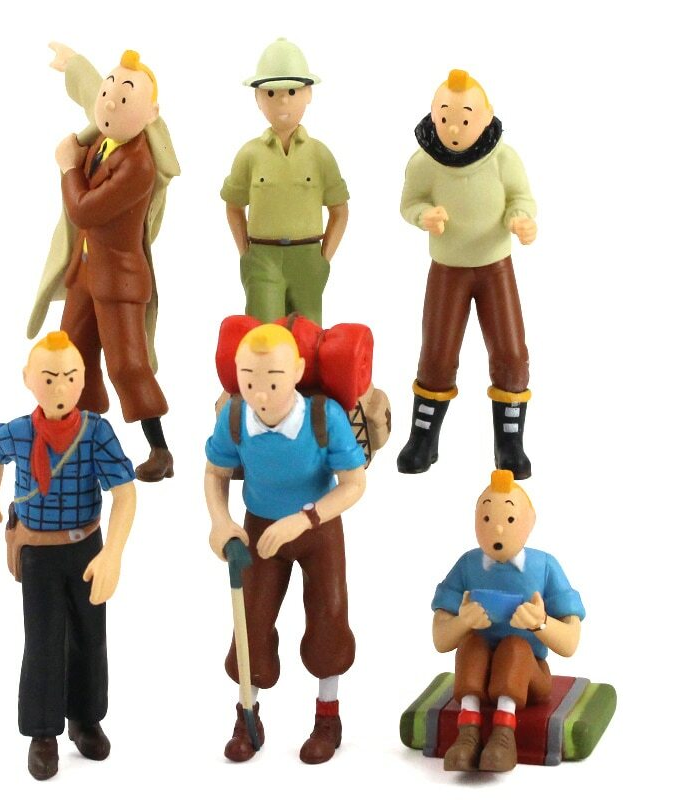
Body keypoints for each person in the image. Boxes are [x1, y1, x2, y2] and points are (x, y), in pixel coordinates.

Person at [205, 324, 366, 763]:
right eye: (249, 381)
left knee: (329, 617)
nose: (260, 394)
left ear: (296, 371)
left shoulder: (323, 418)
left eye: (273, 382)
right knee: (250, 621)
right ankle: (247, 715)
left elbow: (354, 484)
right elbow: (215, 472)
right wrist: (221, 521)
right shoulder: (234, 417)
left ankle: (328, 716)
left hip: (318, 529)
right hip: (259, 529)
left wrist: (304, 519)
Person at [0, 331, 136, 780]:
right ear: (28, 379)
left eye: (69, 377)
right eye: (48, 379)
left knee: (90, 635)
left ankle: (85, 718)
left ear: (84, 379)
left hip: (86, 548)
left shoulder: (96, 433)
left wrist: (113, 554)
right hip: (39, 552)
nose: (60, 388)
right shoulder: (20, 432)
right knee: (43, 640)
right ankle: (43, 731)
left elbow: (125, 493)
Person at [29, 46, 179, 482]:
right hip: (85, 275)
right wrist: (75, 64)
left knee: (127, 365)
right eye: (108, 94)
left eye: (125, 98)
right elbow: (95, 93)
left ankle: (160, 449)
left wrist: (67, 169)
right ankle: (79, 439)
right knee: (72, 358)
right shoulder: (101, 138)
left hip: (118, 281)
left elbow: (85, 210)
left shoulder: (138, 165)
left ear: (151, 114)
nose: (111, 103)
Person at [397, 69, 537, 478]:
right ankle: (423, 438)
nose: (454, 129)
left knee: (511, 353)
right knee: (437, 354)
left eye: (463, 119)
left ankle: (509, 443)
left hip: (495, 268)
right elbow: (409, 202)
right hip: (447, 270)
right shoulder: (424, 162)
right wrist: (423, 215)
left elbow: (522, 197)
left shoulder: (503, 159)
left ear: (486, 116)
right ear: (432, 115)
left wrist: (520, 218)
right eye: (444, 118)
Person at [431, 470, 585, 772]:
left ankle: (503, 733)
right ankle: (468, 731)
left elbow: (570, 643)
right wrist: (463, 622)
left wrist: (541, 623)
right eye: (487, 518)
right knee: (472, 643)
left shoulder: (545, 567)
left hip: (530, 678)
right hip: (479, 673)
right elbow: (440, 639)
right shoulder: (467, 565)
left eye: (510, 519)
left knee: (514, 646)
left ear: (529, 522)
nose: (498, 528)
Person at [221, 38, 349, 325]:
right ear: (258, 98)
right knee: (264, 334)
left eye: (292, 91)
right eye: (271, 93)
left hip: (308, 258)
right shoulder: (249, 154)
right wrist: (246, 254)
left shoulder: (320, 155)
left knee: (308, 335)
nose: (283, 100)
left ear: (308, 93)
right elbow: (233, 206)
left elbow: (340, 210)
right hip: (262, 258)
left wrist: (323, 259)